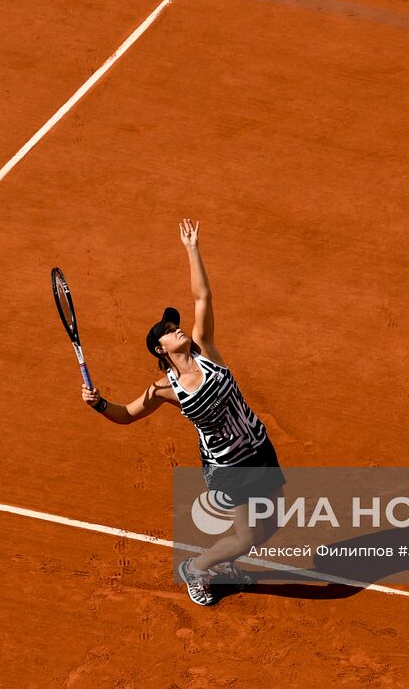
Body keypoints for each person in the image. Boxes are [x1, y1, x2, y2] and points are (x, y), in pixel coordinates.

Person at [80, 219, 285, 606]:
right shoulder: (163, 390)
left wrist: (192, 249)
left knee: (270, 526)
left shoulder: (206, 350)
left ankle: (220, 565)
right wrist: (99, 403)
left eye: (175, 326)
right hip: (229, 467)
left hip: (259, 446)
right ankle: (196, 568)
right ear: (160, 349)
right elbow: (127, 414)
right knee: (244, 536)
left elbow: (202, 298)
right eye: (168, 331)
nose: (177, 330)